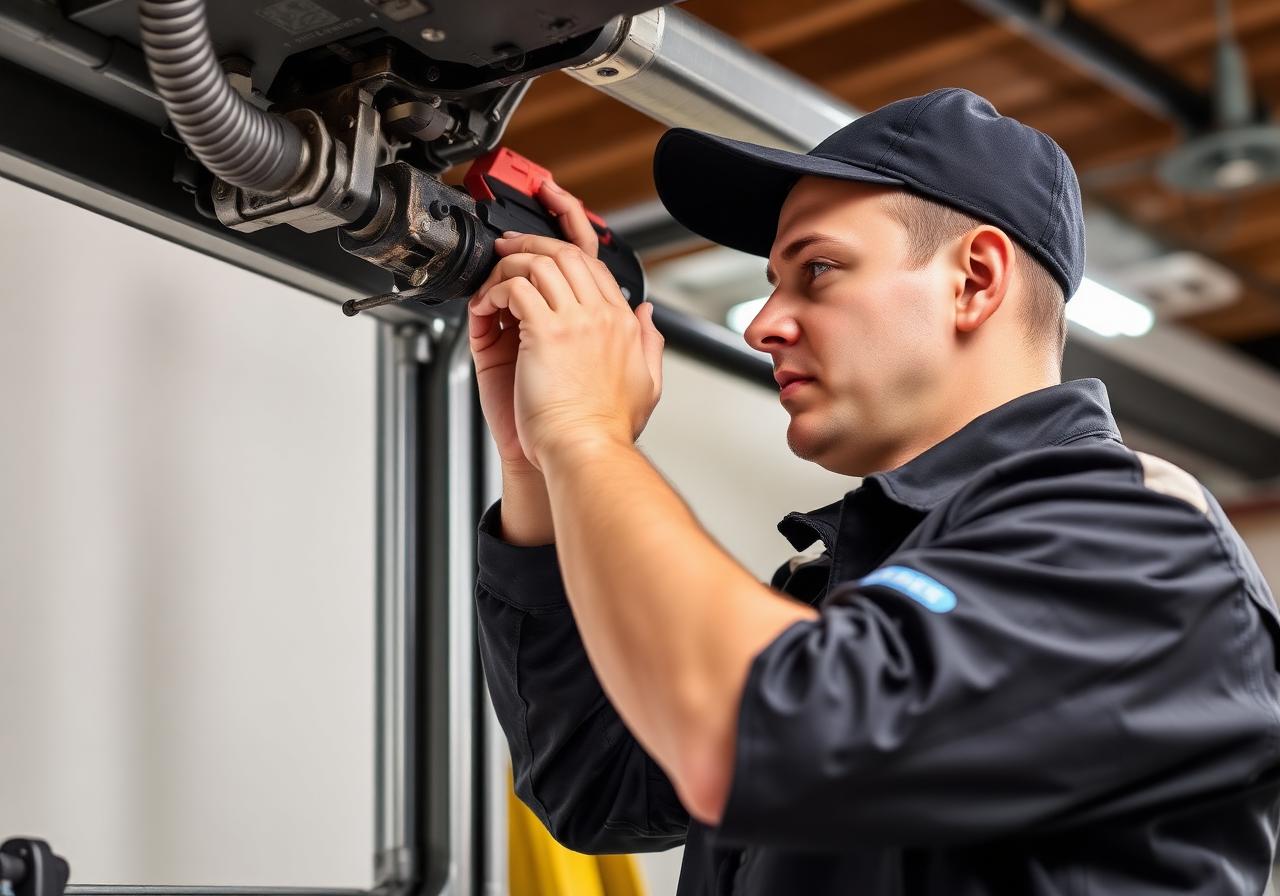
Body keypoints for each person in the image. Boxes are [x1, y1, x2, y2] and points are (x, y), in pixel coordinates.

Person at [465, 87, 1280, 895]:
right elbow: (597, 788)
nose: (762, 325)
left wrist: (584, 432)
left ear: (975, 281)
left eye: (817, 269)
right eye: (775, 280)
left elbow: (762, 735)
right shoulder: (856, 575)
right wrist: (535, 462)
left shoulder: (1133, 538)